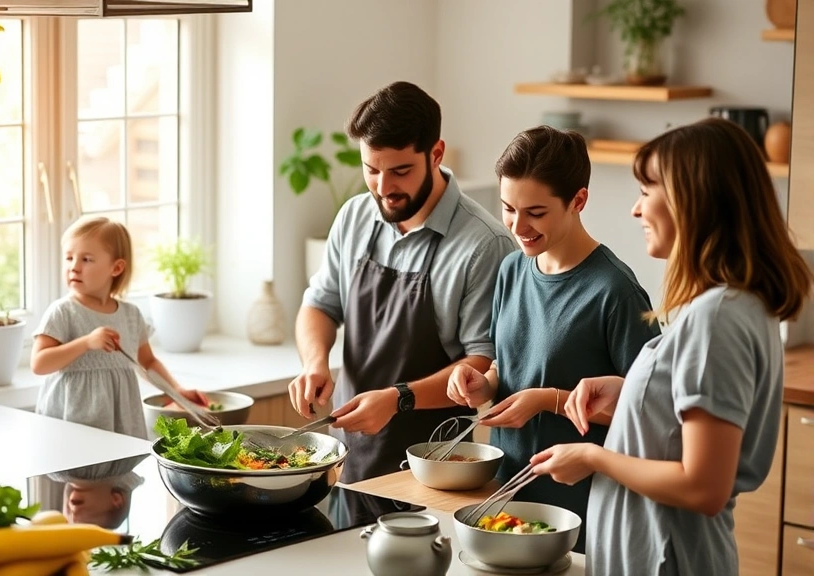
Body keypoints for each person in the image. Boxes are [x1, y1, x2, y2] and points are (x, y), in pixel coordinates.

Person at [529, 117, 814, 575]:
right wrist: (629, 391)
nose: (636, 211)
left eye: (646, 191)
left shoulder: (717, 319)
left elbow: (703, 486)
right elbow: (683, 421)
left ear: (691, 200)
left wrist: (592, 457)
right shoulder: (731, 305)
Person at [289, 81, 518, 483]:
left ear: (436, 154)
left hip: (434, 463)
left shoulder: (485, 244)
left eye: (400, 171)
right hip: (348, 457)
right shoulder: (354, 216)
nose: (383, 187)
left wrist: (399, 400)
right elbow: (320, 305)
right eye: (371, 170)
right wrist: (315, 362)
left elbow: (482, 362)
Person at [446, 125, 661, 553]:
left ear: (578, 201)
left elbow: (650, 410)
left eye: (536, 213)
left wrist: (549, 400)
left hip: (580, 512)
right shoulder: (511, 270)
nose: (517, 225)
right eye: (508, 208)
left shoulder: (615, 292)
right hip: (506, 499)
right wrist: (482, 383)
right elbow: (507, 362)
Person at [31, 216, 207, 437]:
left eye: (86, 259)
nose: (74, 267)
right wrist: (86, 342)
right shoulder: (63, 312)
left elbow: (148, 362)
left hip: (119, 424)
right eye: (68, 258)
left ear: (116, 268)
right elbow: (39, 364)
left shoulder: (130, 316)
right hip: (71, 427)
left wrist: (176, 392)